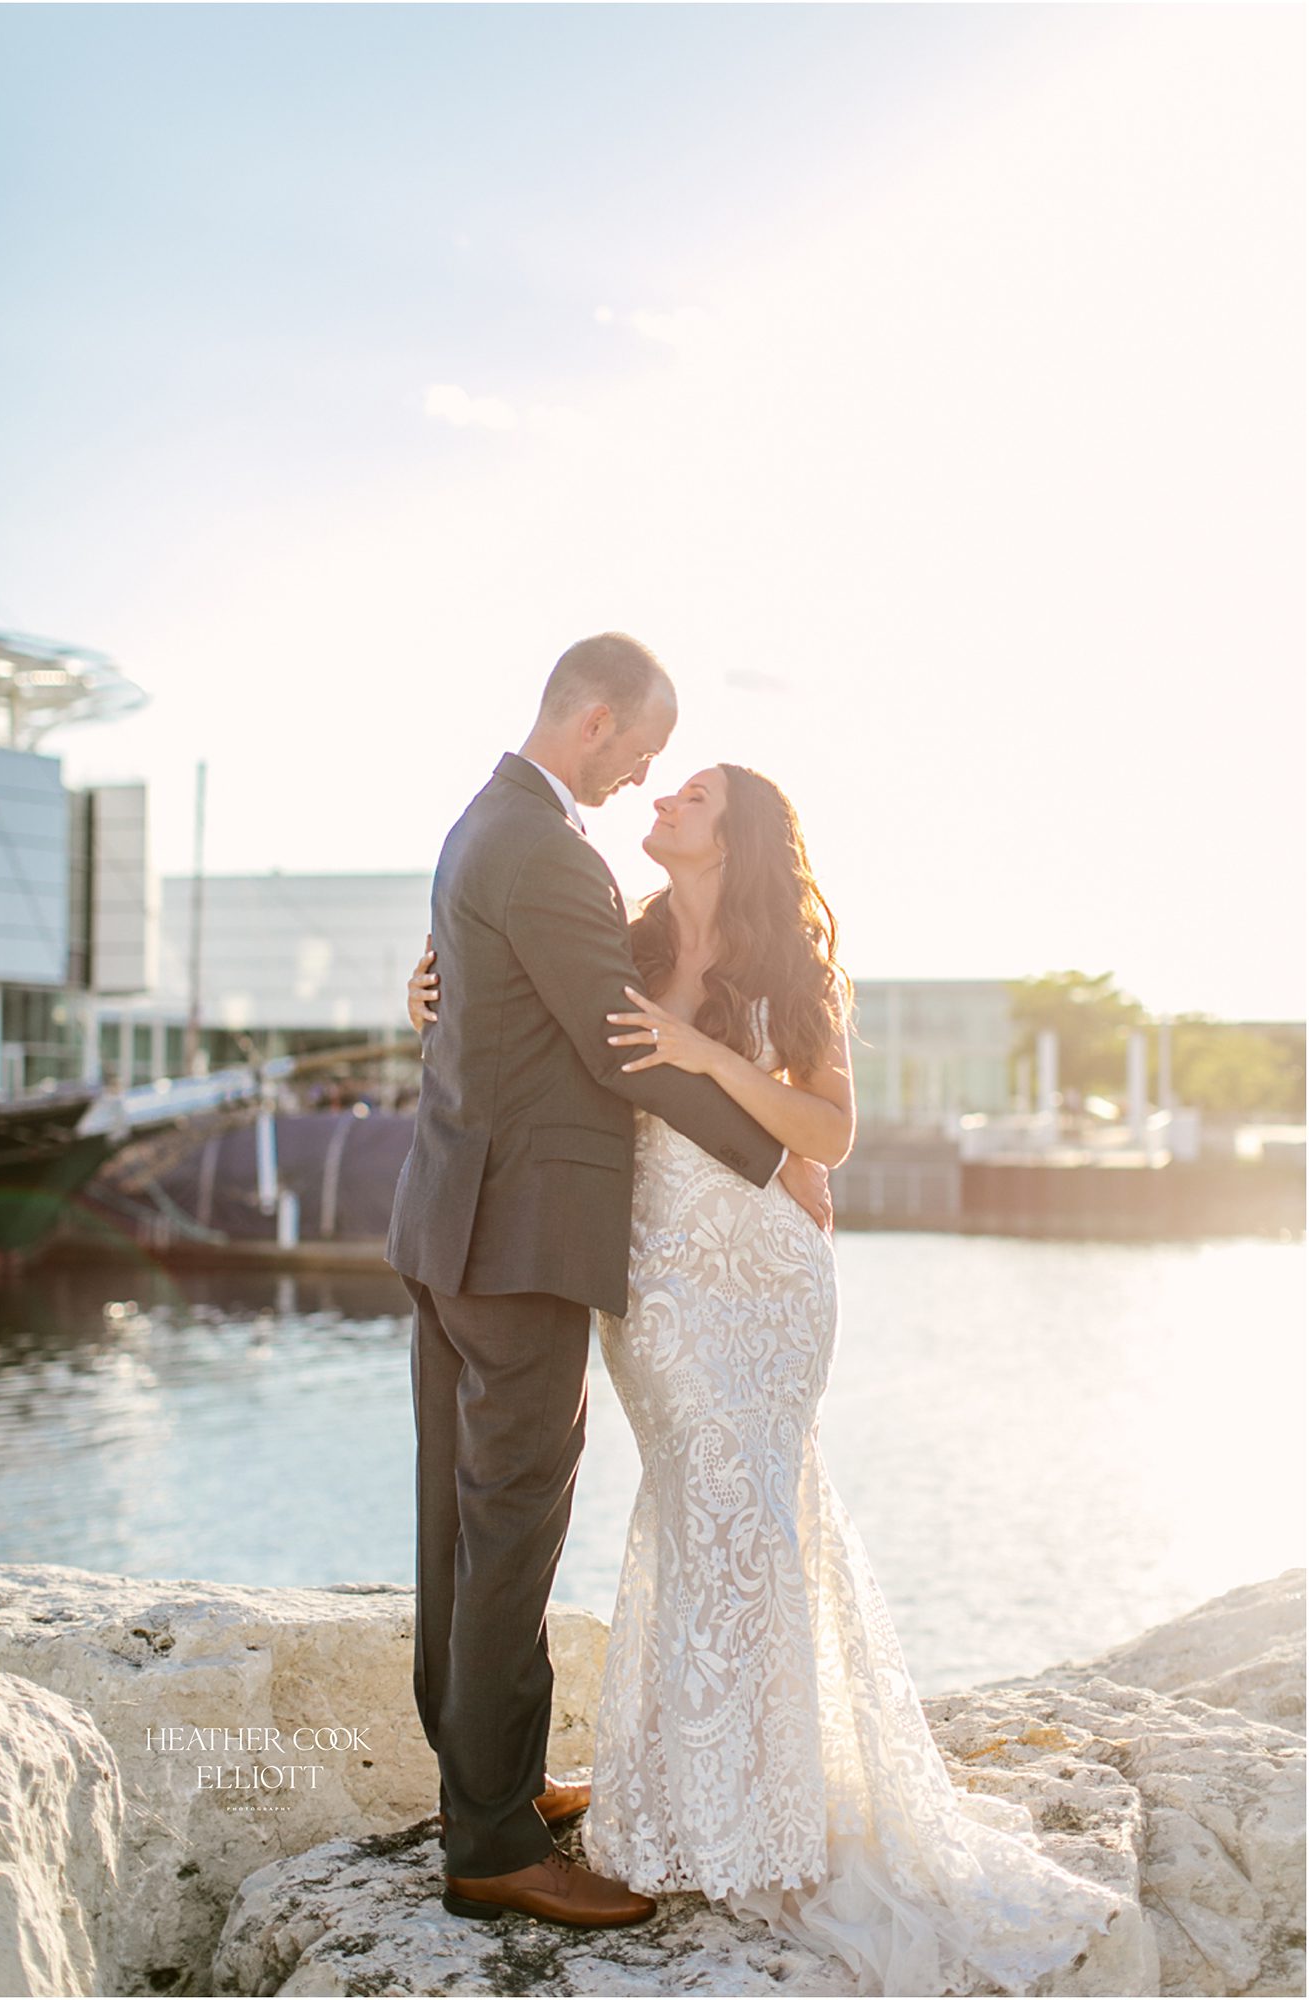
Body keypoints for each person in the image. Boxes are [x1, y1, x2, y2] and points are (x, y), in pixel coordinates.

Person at [409, 758, 1127, 1995]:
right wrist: (429, 986)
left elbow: (829, 1132)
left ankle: (759, 1809)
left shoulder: (793, 972)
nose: (663, 800)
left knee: (754, 1512)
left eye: (691, 795)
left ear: (737, 836)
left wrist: (712, 1056)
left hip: (768, 1275)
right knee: (701, 1509)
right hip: (654, 1274)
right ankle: (693, 1788)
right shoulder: (621, 941)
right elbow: (523, 1005)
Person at [385, 633, 831, 1932]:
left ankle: (491, 1783)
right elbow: (618, 1048)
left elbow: (488, 1006)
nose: (643, 776)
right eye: (640, 751)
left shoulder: (486, 823)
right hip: (517, 1239)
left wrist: (427, 993)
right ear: (594, 720)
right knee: (509, 1529)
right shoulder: (546, 846)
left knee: (461, 1522)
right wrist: (773, 1158)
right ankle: (491, 1841)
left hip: (453, 1225)